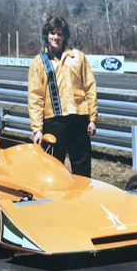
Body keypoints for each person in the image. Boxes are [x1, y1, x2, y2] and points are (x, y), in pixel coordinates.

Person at [27, 16, 97, 178]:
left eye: (59, 34)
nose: (56, 37)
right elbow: (35, 98)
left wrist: (92, 118)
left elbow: (90, 88)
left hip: (79, 119)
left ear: (64, 36)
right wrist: (37, 129)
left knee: (82, 166)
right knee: (53, 167)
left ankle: (82, 199)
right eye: (52, 33)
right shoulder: (39, 62)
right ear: (47, 35)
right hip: (54, 122)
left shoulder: (78, 57)